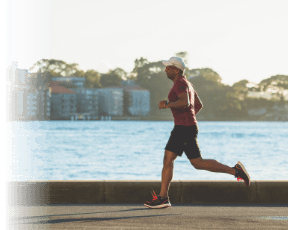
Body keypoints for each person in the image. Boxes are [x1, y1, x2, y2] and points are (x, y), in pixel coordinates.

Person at [144, 57, 250, 209]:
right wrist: (188, 118)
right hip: (184, 127)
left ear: (176, 69)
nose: (165, 69)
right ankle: (163, 198)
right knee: (175, 160)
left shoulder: (181, 84)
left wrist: (168, 105)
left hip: (184, 128)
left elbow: (185, 102)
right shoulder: (186, 84)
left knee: (194, 162)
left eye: (168, 67)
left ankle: (235, 171)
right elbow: (198, 105)